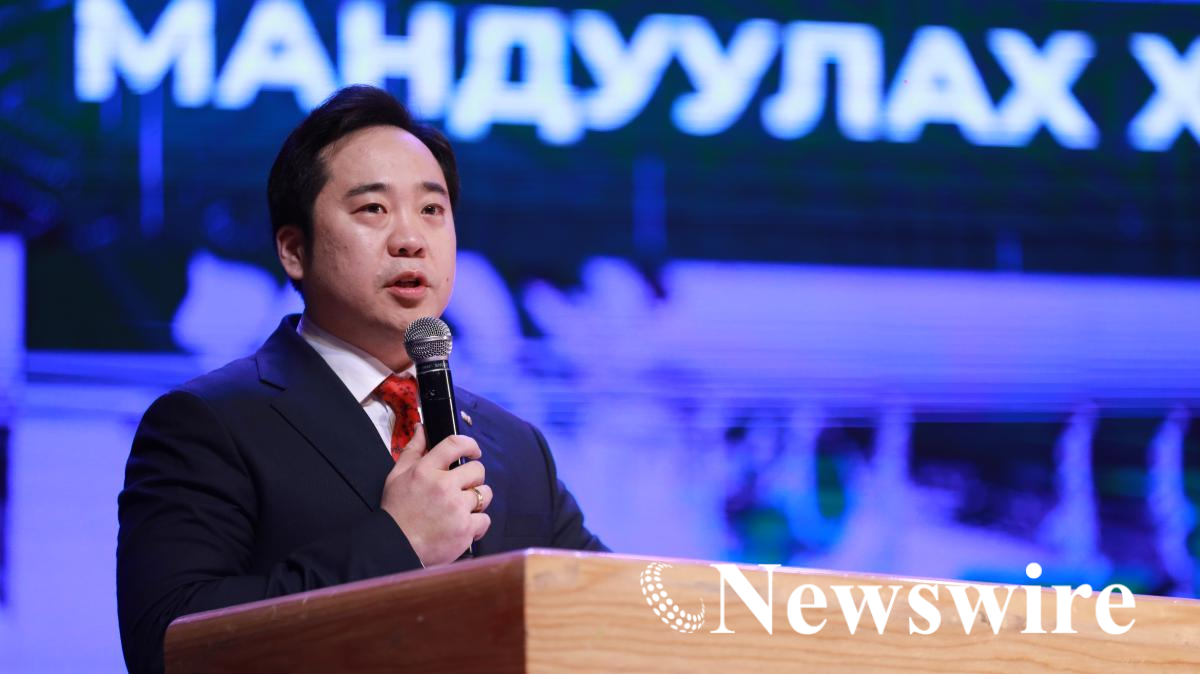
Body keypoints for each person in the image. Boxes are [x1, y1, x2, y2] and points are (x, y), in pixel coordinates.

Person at [116, 85, 606, 674]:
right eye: (373, 209)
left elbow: (614, 611)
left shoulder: (516, 447)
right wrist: (398, 543)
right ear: (294, 250)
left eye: (432, 210)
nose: (411, 239)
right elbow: (165, 646)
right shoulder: (207, 424)